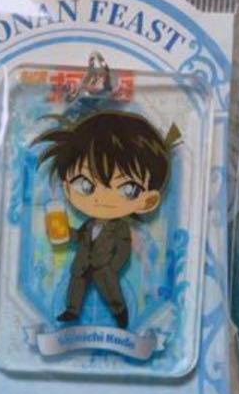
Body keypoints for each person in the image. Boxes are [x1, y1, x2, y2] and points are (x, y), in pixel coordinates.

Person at [33, 110, 181, 329]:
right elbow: (80, 236)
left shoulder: (119, 227)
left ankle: (120, 312)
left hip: (105, 268)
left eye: (127, 189)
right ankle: (72, 310)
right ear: (67, 187)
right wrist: (64, 232)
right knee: (76, 284)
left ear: (147, 201)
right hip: (82, 262)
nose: (102, 198)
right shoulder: (89, 223)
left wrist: (112, 267)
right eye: (85, 184)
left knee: (110, 291)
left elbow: (123, 249)